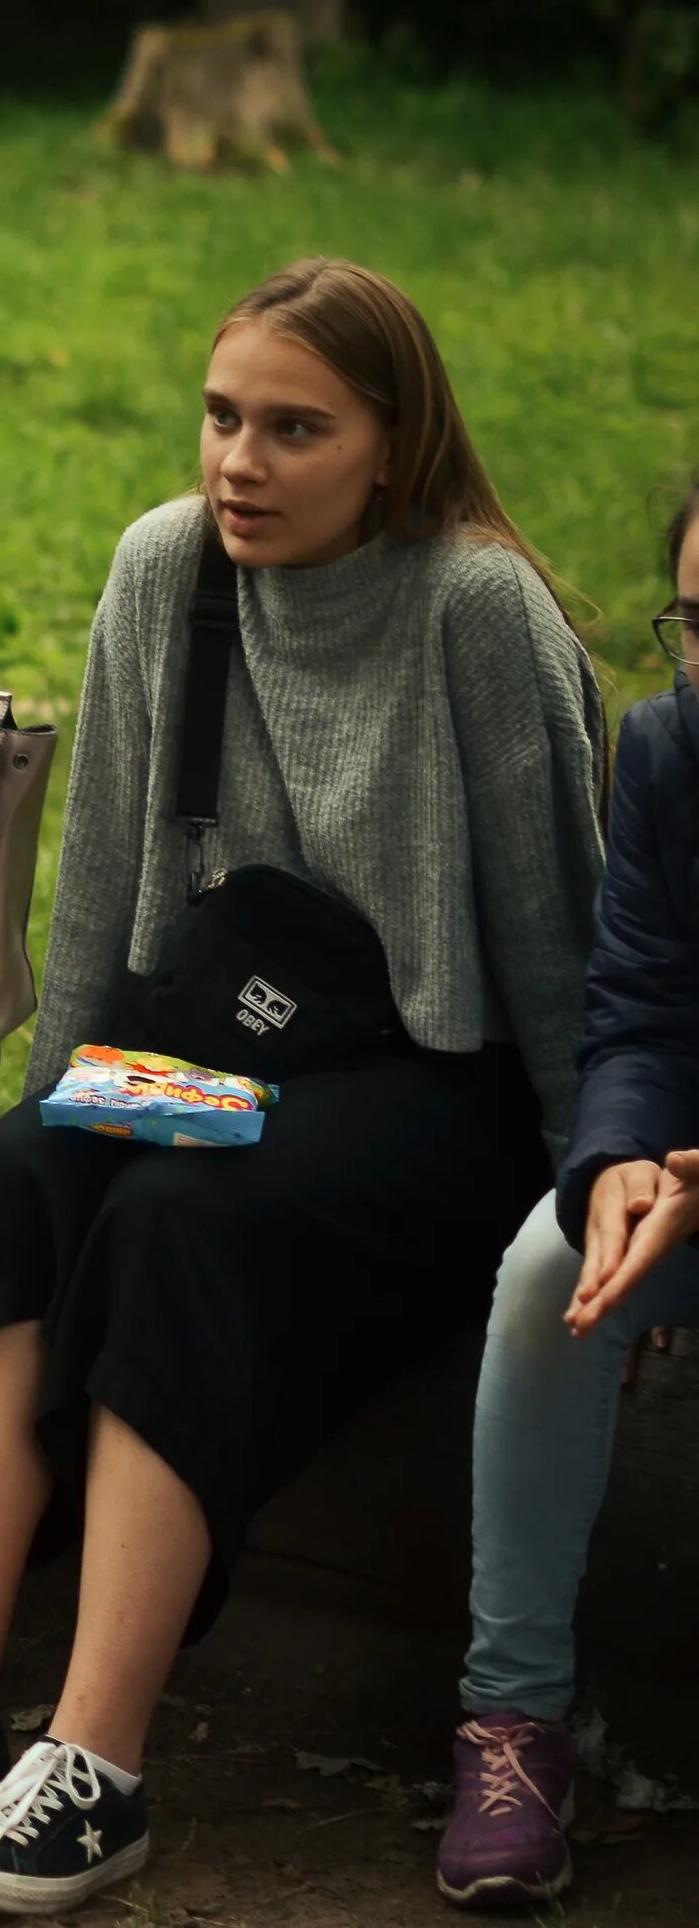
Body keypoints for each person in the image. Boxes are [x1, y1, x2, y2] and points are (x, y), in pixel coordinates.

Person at [0, 260, 603, 1918]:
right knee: (26, 1177)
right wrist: (47, 1095)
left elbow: (562, 941)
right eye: (223, 418)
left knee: (185, 1218)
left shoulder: (475, 609)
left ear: (394, 447)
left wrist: (594, 1175)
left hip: (438, 1070)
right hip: (224, 1036)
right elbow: (108, 876)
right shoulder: (164, 571)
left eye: (295, 428)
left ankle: (100, 1758)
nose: (240, 464)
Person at [437, 474, 699, 1910]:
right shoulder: (667, 748)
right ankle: (513, 1722)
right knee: (550, 1273)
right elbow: (644, 1006)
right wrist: (619, 1163)